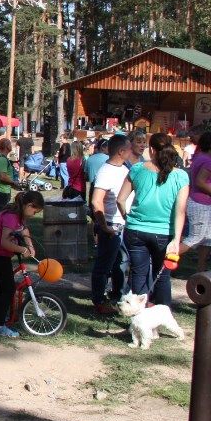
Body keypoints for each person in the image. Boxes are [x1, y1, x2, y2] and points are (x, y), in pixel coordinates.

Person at [117, 132, 189, 306]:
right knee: (163, 276)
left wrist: (128, 218)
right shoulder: (180, 176)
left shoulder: (137, 169)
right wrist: (176, 240)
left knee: (138, 273)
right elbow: (180, 211)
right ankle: (162, 316)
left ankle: (138, 316)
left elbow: (120, 199)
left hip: (135, 230)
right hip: (164, 232)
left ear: (151, 149)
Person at [0, 191, 44, 338]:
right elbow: (5, 242)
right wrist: (23, 250)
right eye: (35, 211)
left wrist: (30, 245)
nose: (34, 214)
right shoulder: (11, 217)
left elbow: (24, 229)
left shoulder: (19, 215)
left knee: (4, 288)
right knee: (8, 289)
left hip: (0, 255)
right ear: (29, 205)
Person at [90, 134, 131, 314]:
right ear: (121, 151)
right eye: (129, 148)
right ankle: (99, 301)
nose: (131, 151)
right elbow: (96, 201)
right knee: (104, 266)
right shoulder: (106, 172)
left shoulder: (124, 168)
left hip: (121, 225)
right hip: (111, 225)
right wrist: (104, 226)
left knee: (119, 264)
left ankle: (117, 296)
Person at [180, 132, 211, 273]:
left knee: (208, 239)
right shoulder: (207, 161)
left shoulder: (200, 157)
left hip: (201, 203)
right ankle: (164, 258)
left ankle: (201, 273)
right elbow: (200, 181)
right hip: (201, 203)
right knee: (195, 238)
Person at [85, 138, 110, 204]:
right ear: (103, 148)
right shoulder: (109, 159)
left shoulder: (90, 159)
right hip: (105, 188)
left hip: (93, 187)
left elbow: (86, 175)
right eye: (108, 147)